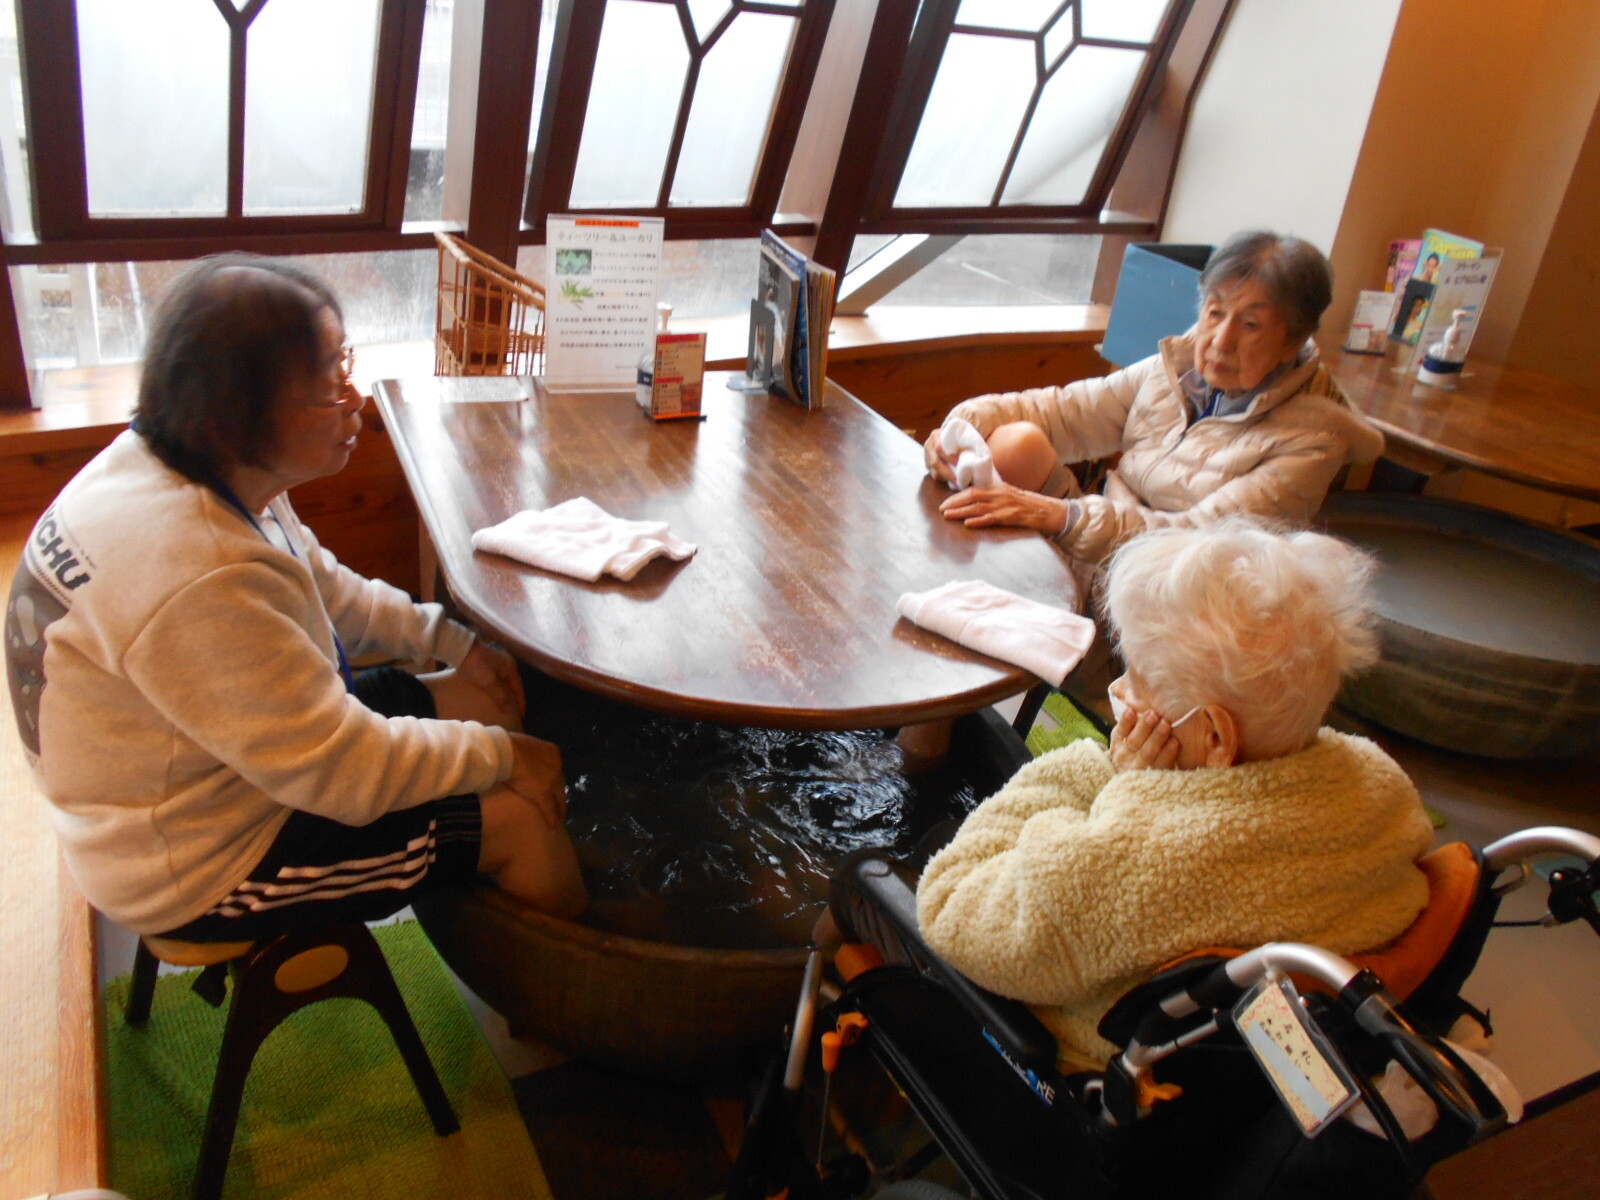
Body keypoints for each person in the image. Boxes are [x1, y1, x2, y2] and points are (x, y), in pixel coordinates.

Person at [5, 255, 587, 941]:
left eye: (346, 364)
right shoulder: (201, 572)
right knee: (522, 817)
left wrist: (455, 642)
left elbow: (329, 590)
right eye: (328, 384)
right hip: (196, 860)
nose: (356, 398)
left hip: (223, 768)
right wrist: (506, 758)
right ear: (239, 415)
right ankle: (577, 1002)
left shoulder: (187, 465)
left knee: (488, 695)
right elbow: (344, 772)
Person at [915, 520, 1433, 1070]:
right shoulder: (1383, 785)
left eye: (1137, 680)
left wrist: (1110, 774)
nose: (1123, 697)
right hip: (1275, 1065)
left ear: (1213, 736)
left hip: (1095, 1069)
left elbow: (950, 906)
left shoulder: (1135, 857)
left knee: (879, 875)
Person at [923, 232, 1384, 568]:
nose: (1220, 341)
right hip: (1099, 535)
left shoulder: (1314, 436)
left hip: (1171, 590)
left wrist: (1062, 516)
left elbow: (1200, 542)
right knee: (1013, 442)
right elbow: (1064, 410)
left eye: (1251, 326)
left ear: (1293, 342)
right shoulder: (1181, 368)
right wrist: (960, 429)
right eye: (1215, 312)